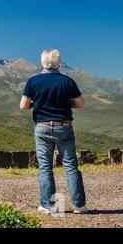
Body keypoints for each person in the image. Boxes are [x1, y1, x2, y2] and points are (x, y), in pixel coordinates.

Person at [20, 49, 88, 214]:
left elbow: (23, 106)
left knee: (45, 167)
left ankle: (48, 205)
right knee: (71, 166)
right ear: (59, 63)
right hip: (64, 126)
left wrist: (36, 104)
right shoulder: (67, 81)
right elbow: (81, 104)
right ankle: (79, 205)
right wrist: (66, 104)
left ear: (42, 63)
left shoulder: (33, 82)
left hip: (42, 127)